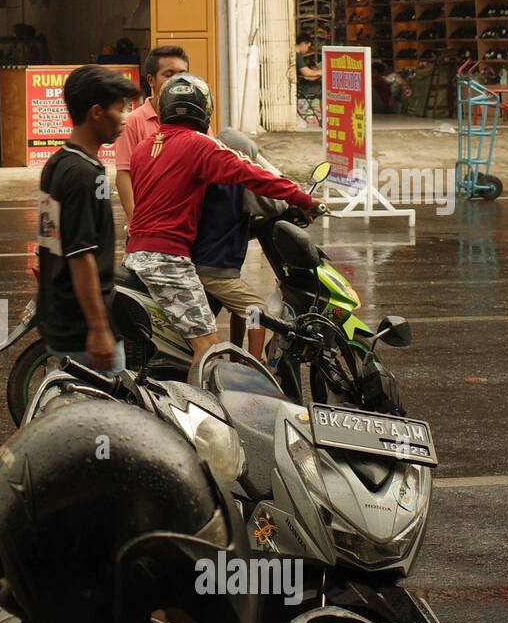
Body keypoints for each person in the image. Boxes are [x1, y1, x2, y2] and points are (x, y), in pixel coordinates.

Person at [125, 73, 322, 370]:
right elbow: (254, 175)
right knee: (209, 350)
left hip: (136, 253)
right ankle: (201, 410)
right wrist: (304, 199)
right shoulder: (199, 146)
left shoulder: (144, 148)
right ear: (203, 110)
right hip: (168, 260)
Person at [36, 65, 141, 375]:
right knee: (109, 419)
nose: (124, 119)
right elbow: (81, 255)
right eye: (119, 109)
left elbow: (49, 241)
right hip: (82, 328)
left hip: (60, 317)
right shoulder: (84, 176)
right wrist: (98, 329)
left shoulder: (57, 164)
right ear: (96, 112)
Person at [192, 128, 288, 360]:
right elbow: (276, 205)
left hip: (201, 262)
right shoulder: (239, 183)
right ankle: (254, 365)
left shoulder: (212, 180)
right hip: (216, 271)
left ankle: (235, 356)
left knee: (238, 308)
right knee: (257, 311)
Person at [114, 45, 189, 230]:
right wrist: (136, 225)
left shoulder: (196, 119)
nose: (177, 80)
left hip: (189, 225)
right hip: (150, 226)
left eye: (183, 74)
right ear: (151, 80)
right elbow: (124, 174)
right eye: (169, 74)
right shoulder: (133, 122)